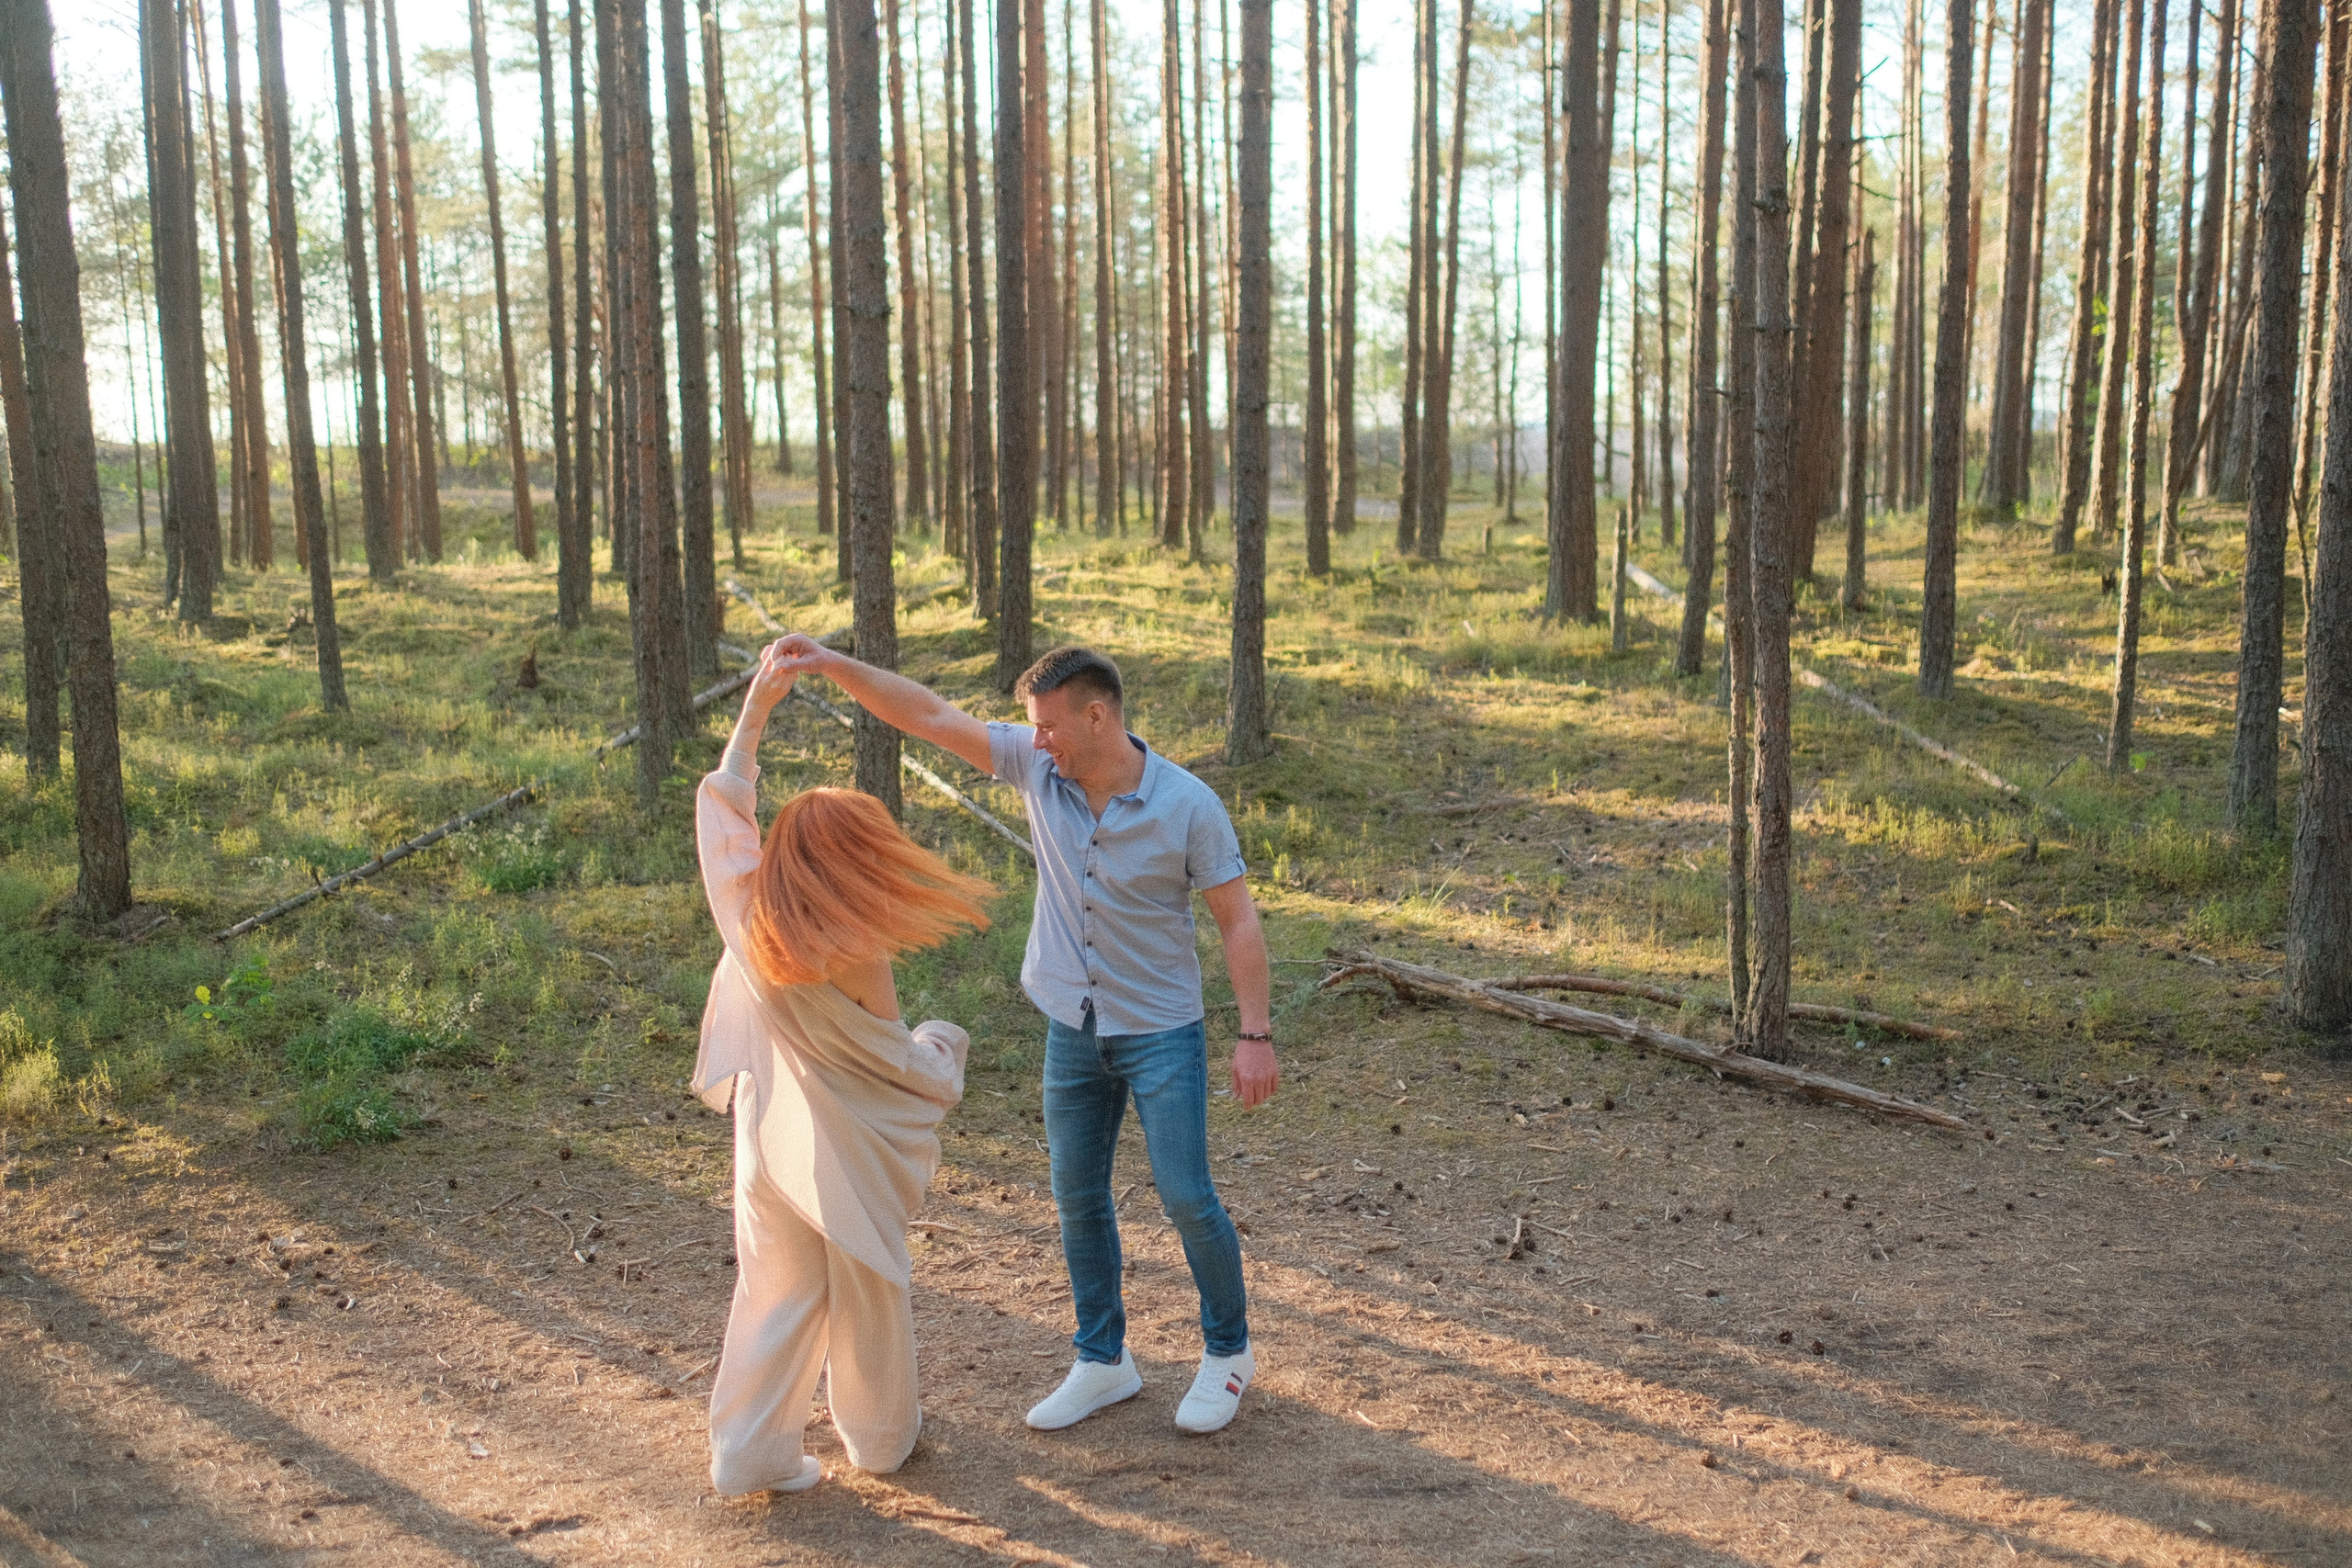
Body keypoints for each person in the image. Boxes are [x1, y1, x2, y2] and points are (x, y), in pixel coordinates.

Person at [764, 636, 1277, 1438]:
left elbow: (1238, 920)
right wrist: (831, 663)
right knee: (1077, 1196)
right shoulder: (1039, 769)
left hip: (1160, 1030)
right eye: (1031, 728)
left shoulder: (1188, 805)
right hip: (1071, 1024)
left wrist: (1255, 1034)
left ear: (1097, 716)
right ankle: (1103, 1358)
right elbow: (930, 714)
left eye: (1048, 726)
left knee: (1184, 1193)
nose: (1036, 740)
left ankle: (1228, 1350)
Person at [692, 640, 994, 1495]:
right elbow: (891, 1060)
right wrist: (942, 1048)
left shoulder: (747, 912)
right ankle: (880, 1438)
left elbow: (725, 812)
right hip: (845, 1149)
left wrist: (755, 712)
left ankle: (750, 1455)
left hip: (769, 1139)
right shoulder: (860, 952)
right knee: (869, 1288)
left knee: (773, 1290)